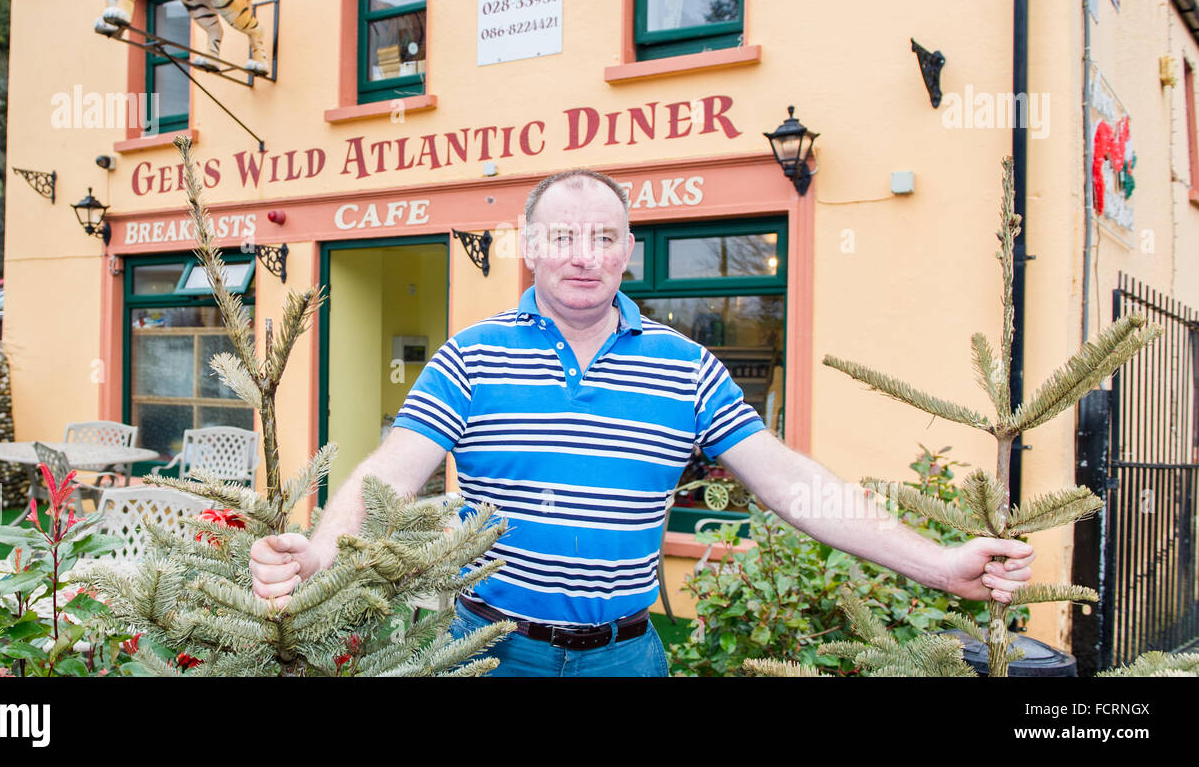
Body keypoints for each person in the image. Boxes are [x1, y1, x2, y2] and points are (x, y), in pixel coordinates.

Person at [250, 169, 1036, 676]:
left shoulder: (685, 365)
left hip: (627, 658)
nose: (582, 255)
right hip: (488, 653)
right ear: (529, 246)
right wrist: (320, 554)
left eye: (602, 237)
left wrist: (937, 563)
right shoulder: (471, 357)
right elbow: (392, 468)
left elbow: (791, 483)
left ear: (629, 247)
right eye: (562, 236)